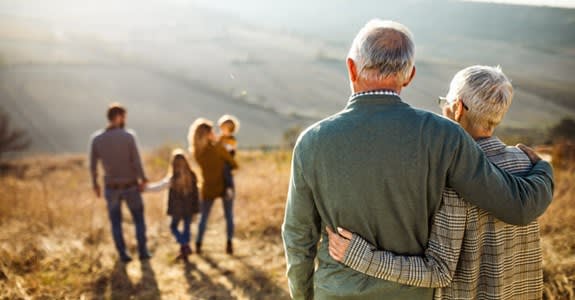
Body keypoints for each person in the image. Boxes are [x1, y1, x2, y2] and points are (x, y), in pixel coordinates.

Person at [281, 19, 554, 300]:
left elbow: (298, 236)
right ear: (409, 75)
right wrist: (543, 169)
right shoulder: (443, 134)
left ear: (351, 67)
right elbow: (515, 205)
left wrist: (302, 295)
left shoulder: (311, 141)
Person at [327, 65, 545, 299]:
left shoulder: (452, 177)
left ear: (457, 108)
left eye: (445, 102)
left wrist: (361, 257)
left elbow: (439, 272)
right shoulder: (526, 163)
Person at [90, 103, 151, 263]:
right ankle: (143, 251)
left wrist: (95, 185)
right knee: (138, 219)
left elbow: (93, 165)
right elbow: (136, 161)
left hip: (111, 188)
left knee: (115, 222)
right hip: (130, 185)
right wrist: (143, 179)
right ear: (118, 117)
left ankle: (123, 254)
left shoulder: (97, 139)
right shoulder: (128, 136)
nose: (125, 120)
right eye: (124, 116)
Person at [188, 118, 239, 255]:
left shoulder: (197, 152)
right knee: (229, 216)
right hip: (225, 185)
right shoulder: (218, 148)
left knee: (203, 218)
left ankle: (198, 244)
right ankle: (229, 244)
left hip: (208, 187)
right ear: (207, 133)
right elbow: (234, 163)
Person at [146, 149, 200, 261]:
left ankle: (184, 246)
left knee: (173, 227)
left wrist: (145, 188)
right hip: (189, 208)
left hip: (176, 209)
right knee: (186, 229)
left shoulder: (172, 178)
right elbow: (196, 194)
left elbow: (158, 187)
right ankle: (185, 247)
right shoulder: (192, 176)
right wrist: (196, 208)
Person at [218, 114, 240, 200]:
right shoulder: (221, 138)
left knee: (226, 171)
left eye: (224, 129)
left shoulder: (232, 139)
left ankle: (229, 188)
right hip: (221, 160)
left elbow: (230, 149)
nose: (222, 130)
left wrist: (223, 146)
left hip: (228, 161)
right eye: (221, 128)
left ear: (230, 130)